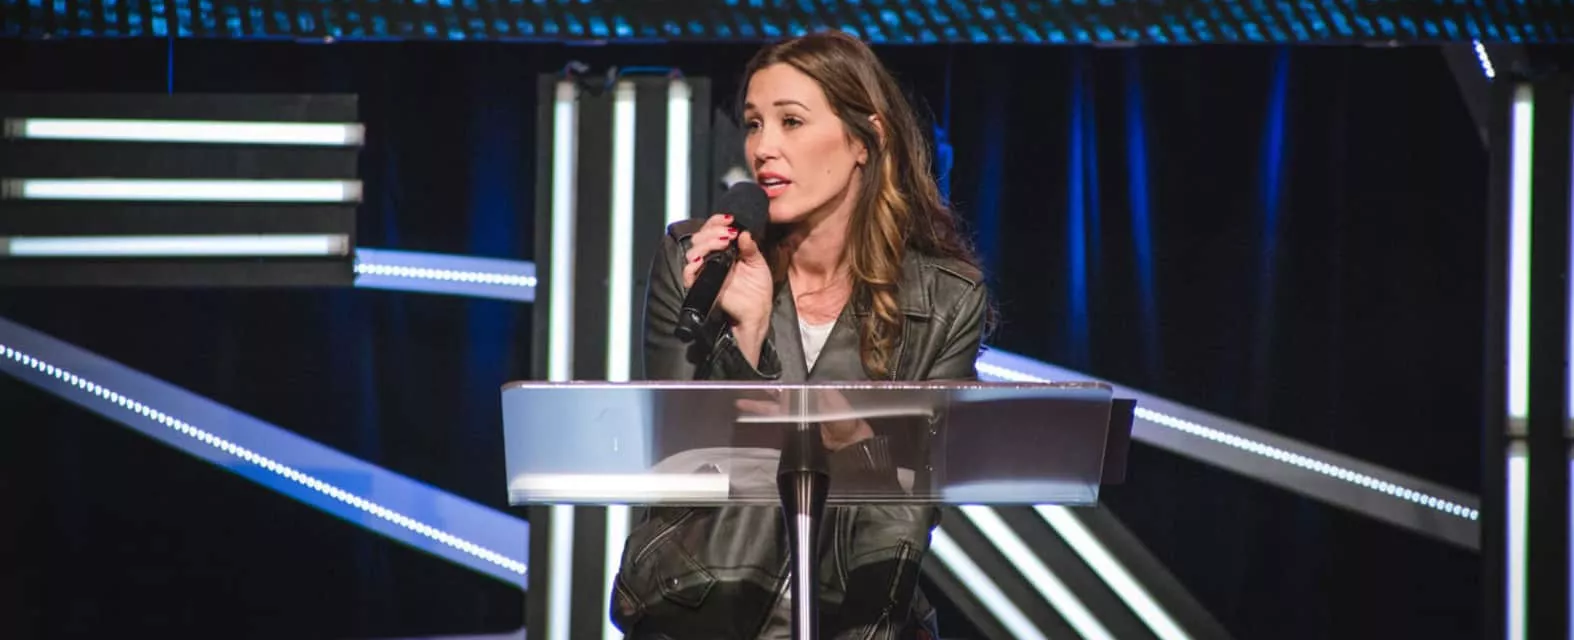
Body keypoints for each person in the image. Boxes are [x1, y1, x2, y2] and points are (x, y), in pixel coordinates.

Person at [611, 30, 992, 640]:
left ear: (865, 139)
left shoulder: (946, 299)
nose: (764, 148)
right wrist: (748, 335)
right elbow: (686, 464)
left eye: (791, 122)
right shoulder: (698, 259)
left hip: (856, 613)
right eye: (753, 124)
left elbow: (909, 501)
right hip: (704, 608)